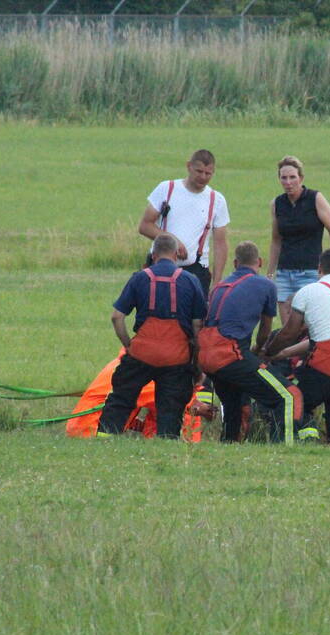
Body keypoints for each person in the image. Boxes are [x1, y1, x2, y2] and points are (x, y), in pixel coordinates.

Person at [97, 233, 207, 438]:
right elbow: (198, 325)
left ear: (153, 255)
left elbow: (117, 317)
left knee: (120, 400)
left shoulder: (139, 278)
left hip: (141, 354)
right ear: (176, 255)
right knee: (170, 409)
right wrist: (196, 362)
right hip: (177, 357)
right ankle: (166, 442)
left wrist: (128, 344)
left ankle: (105, 438)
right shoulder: (191, 281)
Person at [197, 241, 302, 444]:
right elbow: (265, 330)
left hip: (205, 356)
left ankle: (229, 444)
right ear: (260, 262)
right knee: (290, 396)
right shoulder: (266, 285)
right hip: (230, 353)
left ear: (235, 263)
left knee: (234, 403)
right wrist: (261, 351)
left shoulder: (219, 287)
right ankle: (286, 446)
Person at [264, 248, 330, 445]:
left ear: (319, 268)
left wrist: (268, 352)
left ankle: (286, 442)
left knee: (293, 398)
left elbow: (290, 333)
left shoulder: (309, 291)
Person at [138, 149, 230, 297]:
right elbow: (145, 226)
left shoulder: (217, 200)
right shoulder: (166, 189)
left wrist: (217, 282)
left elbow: (220, 244)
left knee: (195, 320)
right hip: (159, 267)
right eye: (199, 171)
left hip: (196, 271)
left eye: (208, 173)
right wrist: (172, 241)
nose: (203, 177)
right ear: (188, 166)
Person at [266, 155, 330, 324]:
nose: (288, 182)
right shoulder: (277, 204)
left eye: (292, 177)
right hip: (284, 273)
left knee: (310, 325)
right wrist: (270, 275)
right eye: (283, 178)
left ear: (301, 178)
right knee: (287, 328)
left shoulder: (315, 199)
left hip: (311, 272)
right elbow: (276, 240)